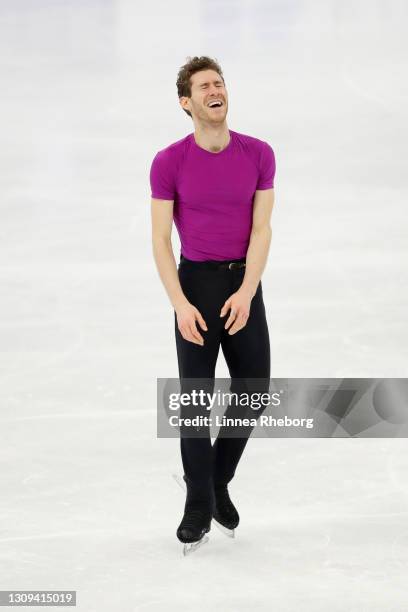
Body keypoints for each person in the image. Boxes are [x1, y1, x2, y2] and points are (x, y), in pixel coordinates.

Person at [150, 56, 276, 548]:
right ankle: (197, 504)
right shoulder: (169, 161)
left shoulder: (258, 153)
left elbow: (263, 228)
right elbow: (161, 238)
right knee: (195, 403)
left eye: (219, 83)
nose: (214, 90)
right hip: (195, 288)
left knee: (255, 391)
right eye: (203, 86)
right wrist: (180, 303)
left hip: (243, 284)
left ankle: (215, 480)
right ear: (187, 102)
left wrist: (247, 290)